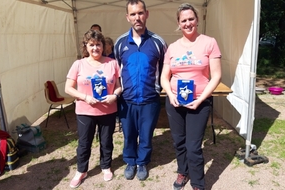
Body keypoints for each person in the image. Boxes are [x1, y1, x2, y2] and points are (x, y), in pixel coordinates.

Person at [160, 3, 221, 190]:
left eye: (191, 19)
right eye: (183, 20)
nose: (188, 23)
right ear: (179, 23)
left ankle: (197, 183)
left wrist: (201, 99)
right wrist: (170, 95)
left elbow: (216, 75)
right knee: (179, 142)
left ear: (197, 20)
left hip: (199, 103)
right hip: (175, 102)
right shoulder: (173, 47)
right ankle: (182, 171)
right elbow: (164, 76)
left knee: (193, 146)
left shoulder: (209, 42)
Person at [114, 0, 167, 181]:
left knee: (146, 134)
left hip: (150, 99)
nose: (137, 17)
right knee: (129, 134)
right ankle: (130, 161)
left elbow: (166, 70)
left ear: (147, 14)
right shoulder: (120, 43)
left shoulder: (158, 42)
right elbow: (115, 71)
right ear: (127, 17)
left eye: (140, 13)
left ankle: (142, 162)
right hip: (127, 100)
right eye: (133, 14)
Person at [65, 29, 122, 188]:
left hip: (107, 110)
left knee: (106, 141)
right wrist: (85, 97)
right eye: (92, 45)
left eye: (98, 44)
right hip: (85, 111)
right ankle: (81, 170)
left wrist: (115, 96)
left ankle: (106, 166)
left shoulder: (112, 63)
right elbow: (68, 88)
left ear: (103, 46)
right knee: (84, 143)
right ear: (86, 46)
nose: (95, 48)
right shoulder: (79, 64)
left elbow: (119, 87)